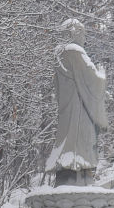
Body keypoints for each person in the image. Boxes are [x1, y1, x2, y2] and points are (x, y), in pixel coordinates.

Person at [45, 19, 108, 186]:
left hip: (67, 106)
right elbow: (91, 78)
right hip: (79, 106)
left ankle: (68, 166)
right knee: (78, 141)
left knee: (67, 138)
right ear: (73, 33)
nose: (84, 38)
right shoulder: (74, 51)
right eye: (82, 34)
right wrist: (102, 75)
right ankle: (77, 167)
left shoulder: (59, 54)